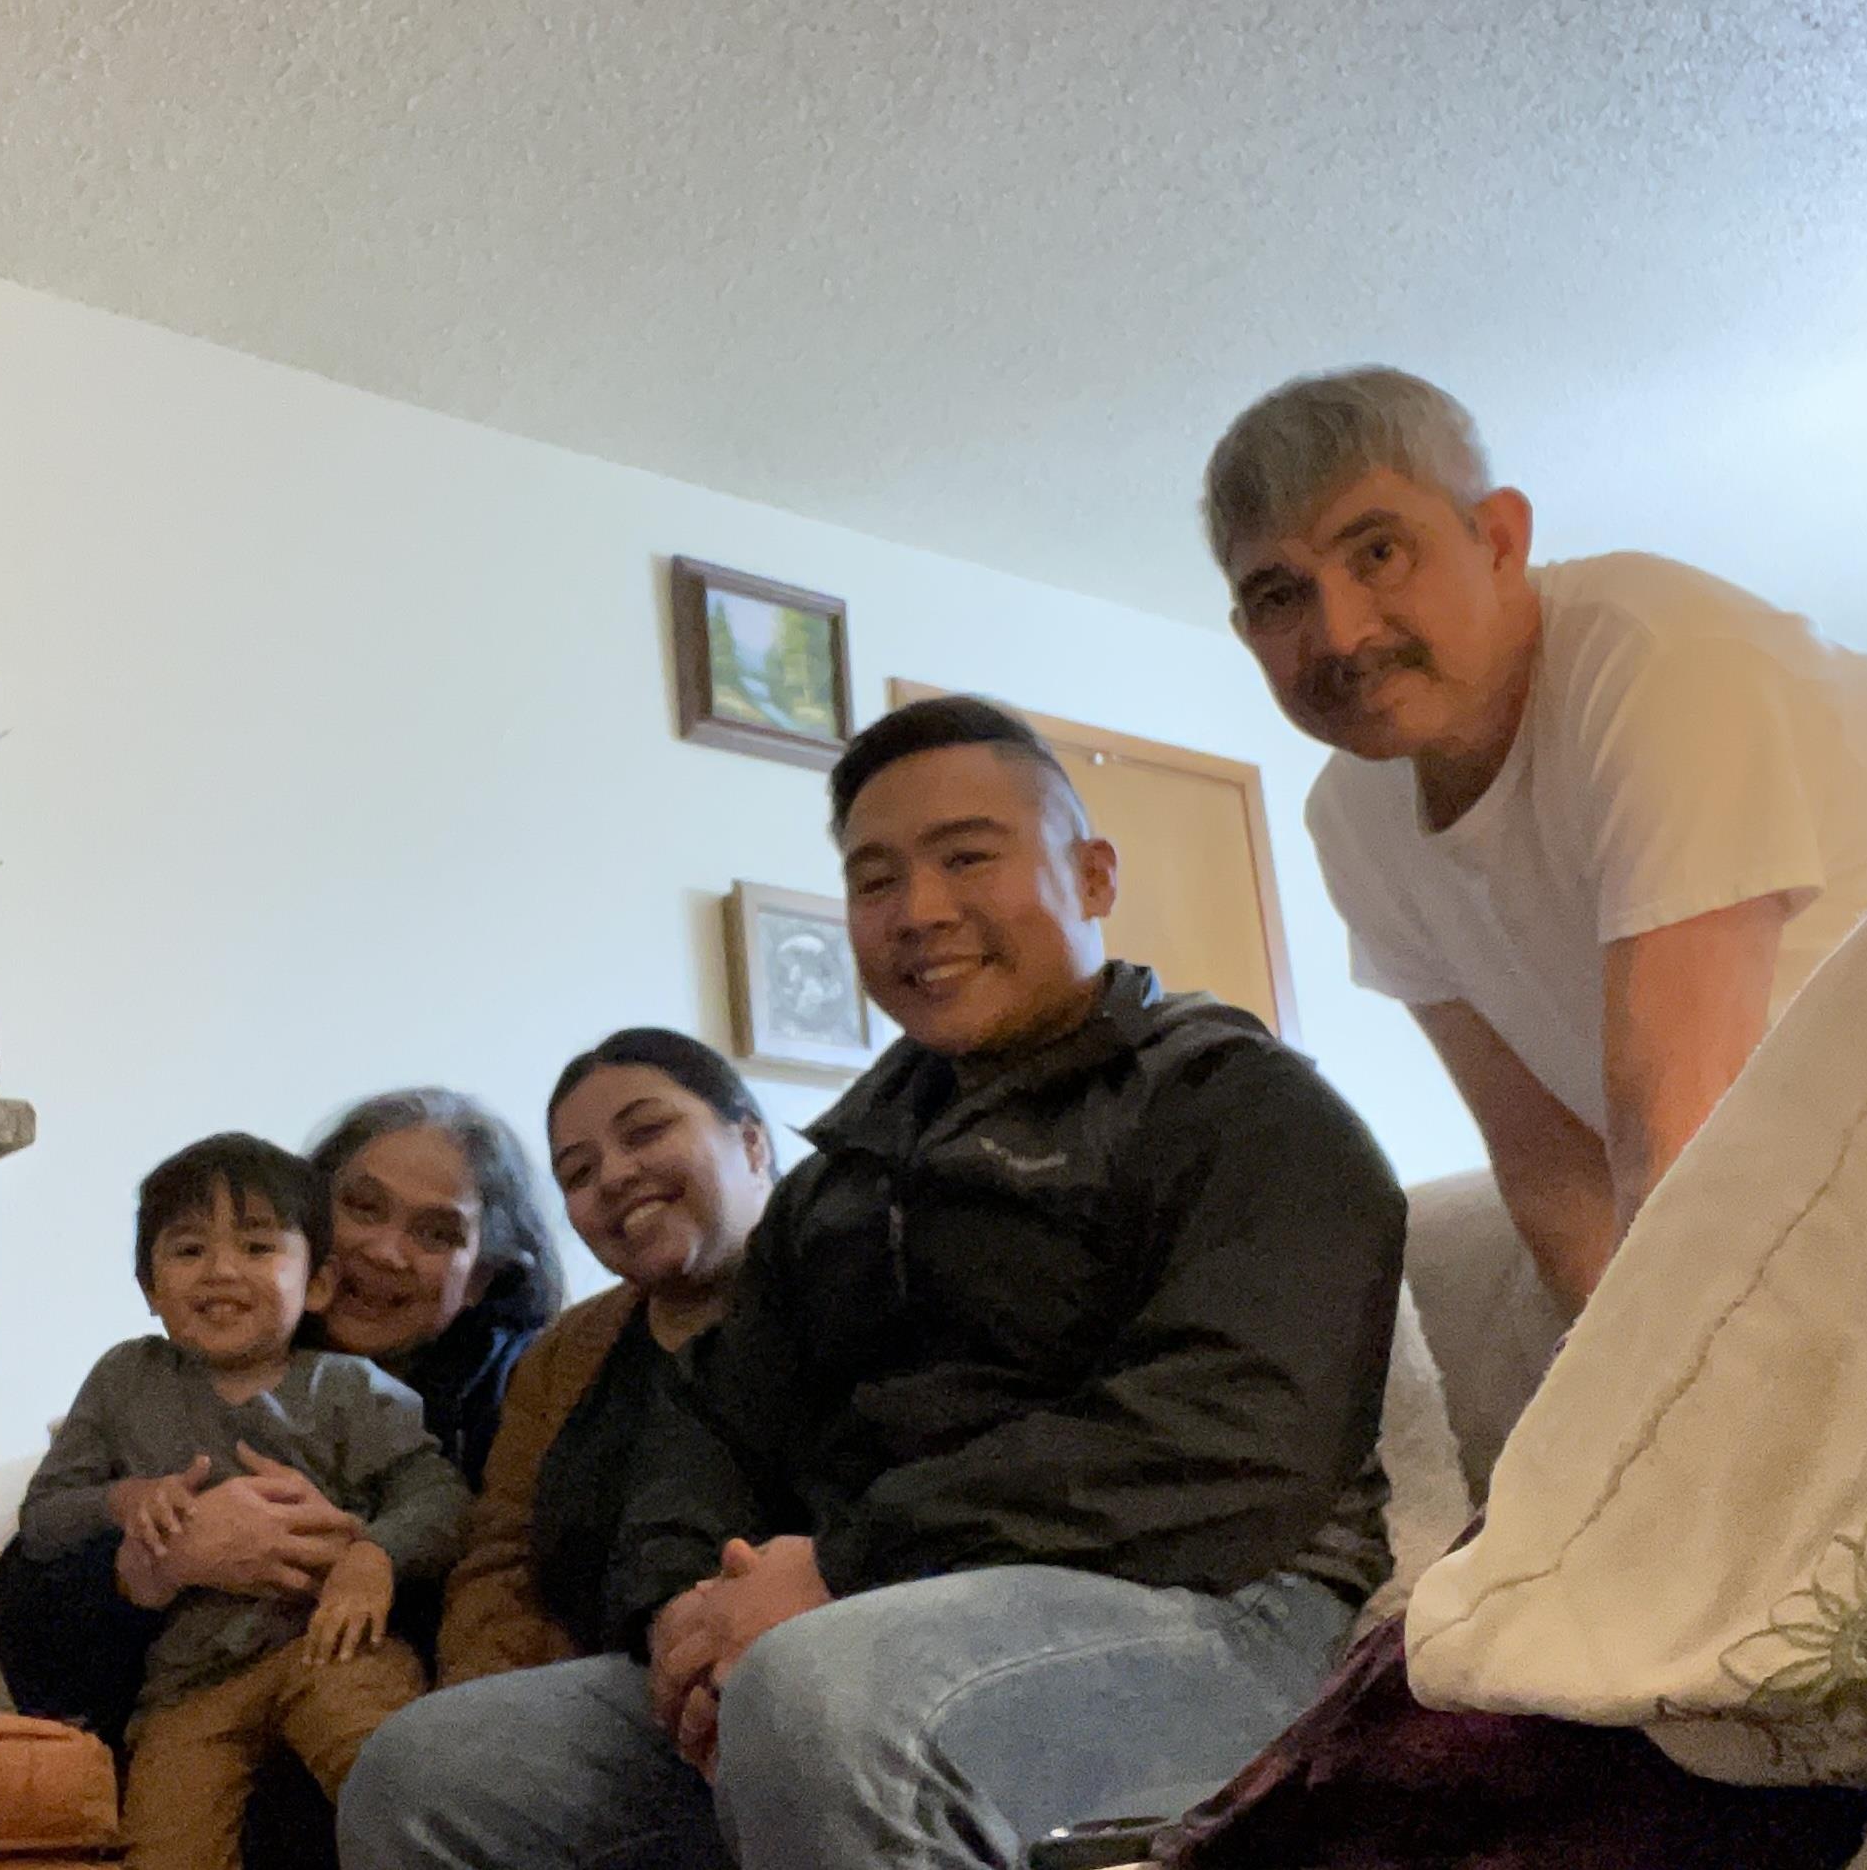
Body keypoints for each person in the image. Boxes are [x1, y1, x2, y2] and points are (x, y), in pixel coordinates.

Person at [342, 694, 1406, 1870]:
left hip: (1224, 1611)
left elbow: (1238, 1435)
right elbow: (707, 1425)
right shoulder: (839, 1179)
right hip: (870, 1621)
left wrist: (845, 1567)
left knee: (818, 1696)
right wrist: (684, 1627)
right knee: (428, 1775)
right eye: (875, 880)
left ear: (1092, 875)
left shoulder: (1241, 1107)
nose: (921, 911)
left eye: (966, 857)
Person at [1205, 366, 1867, 1309]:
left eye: (1377, 553)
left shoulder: (1653, 658)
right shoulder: (1350, 822)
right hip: (1849, 1156)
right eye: (1280, 595)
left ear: (1497, 540)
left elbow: (1678, 1129)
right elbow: (1545, 1160)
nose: (1339, 634)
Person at [0, 1090, 562, 1822]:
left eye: (435, 1231)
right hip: (191, 1702)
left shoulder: (519, 1396)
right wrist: (152, 1552)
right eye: (361, 1206)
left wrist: (357, 1547)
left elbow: (507, 1589)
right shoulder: (155, 1380)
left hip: (358, 1682)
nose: (384, 1250)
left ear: (484, 1271)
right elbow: (32, 1600)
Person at [435, 1029, 777, 1684]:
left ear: (751, 1141)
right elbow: (501, 1559)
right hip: (607, 1692)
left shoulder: (850, 1280)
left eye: (646, 1131)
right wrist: (499, 1696)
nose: (616, 1175)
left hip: (806, 1656)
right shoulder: (563, 1354)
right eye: (579, 1172)